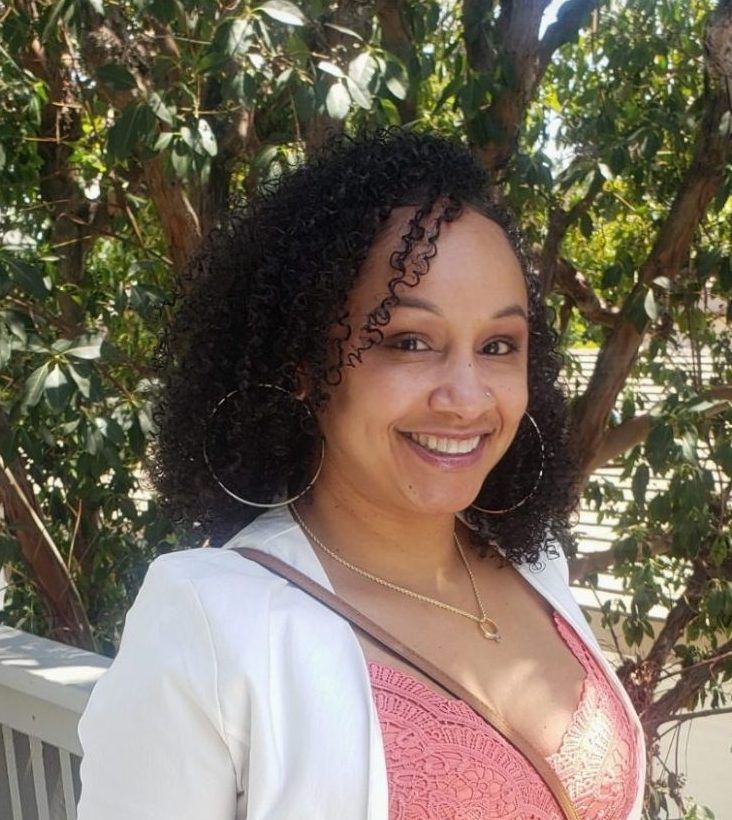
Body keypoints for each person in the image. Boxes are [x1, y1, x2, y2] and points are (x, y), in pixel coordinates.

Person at [76, 128, 646, 820]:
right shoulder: (210, 620)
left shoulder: (534, 566)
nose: (468, 399)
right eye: (410, 342)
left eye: (499, 345)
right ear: (303, 365)